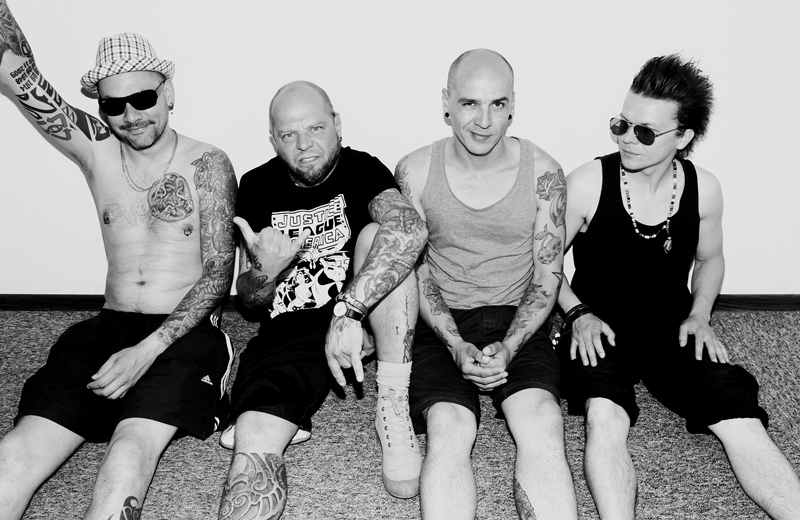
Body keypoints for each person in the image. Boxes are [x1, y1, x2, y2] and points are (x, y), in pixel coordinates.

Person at [0, 0, 237, 520]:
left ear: (168, 92)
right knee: (13, 455)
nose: (130, 115)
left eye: (143, 98)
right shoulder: (96, 149)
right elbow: (18, 73)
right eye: (113, 105)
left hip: (181, 334)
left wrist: (146, 351)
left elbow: (219, 275)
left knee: (127, 453)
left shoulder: (207, 164)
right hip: (105, 329)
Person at [557, 53, 800, 519]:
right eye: (621, 125)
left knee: (739, 416)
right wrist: (577, 313)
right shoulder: (587, 183)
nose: (627, 138)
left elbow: (710, 259)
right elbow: (544, 265)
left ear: (683, 137)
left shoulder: (704, 189)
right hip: (599, 326)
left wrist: (700, 314)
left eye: (645, 132)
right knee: (604, 415)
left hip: (672, 325)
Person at [217, 80, 427, 519]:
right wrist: (265, 270)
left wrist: (349, 312)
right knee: (254, 440)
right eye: (288, 134)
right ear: (273, 139)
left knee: (381, 236)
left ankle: (392, 403)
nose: (304, 145)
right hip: (289, 327)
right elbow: (250, 301)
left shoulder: (362, 168)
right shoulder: (256, 185)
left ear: (337, 125)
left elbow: (410, 229)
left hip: (362, 314)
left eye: (314, 128)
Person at [397, 49, 578, 520]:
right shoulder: (415, 171)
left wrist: (512, 346)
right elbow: (416, 270)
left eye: (497, 104)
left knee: (542, 421)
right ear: (447, 102)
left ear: (513, 104)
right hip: (442, 321)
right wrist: (455, 344)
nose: (483, 121)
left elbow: (547, 273)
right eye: (469, 103)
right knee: (449, 427)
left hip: (519, 315)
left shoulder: (544, 172)